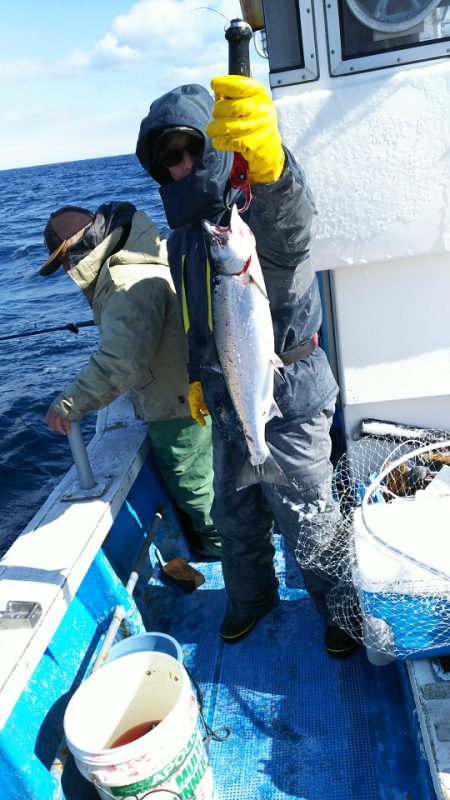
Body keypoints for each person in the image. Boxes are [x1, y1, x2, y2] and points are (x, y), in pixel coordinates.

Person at [135, 77, 358, 657]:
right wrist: (195, 376)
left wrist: (274, 167)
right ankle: (251, 598)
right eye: (168, 159)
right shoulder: (187, 238)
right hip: (228, 395)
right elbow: (197, 319)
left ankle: (339, 610)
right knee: (234, 517)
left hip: (291, 390)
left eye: (189, 148)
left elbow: (294, 227)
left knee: (309, 516)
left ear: (211, 145)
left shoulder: (252, 206)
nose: (182, 165)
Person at [39, 201, 221, 558]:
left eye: (63, 261)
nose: (66, 270)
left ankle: (227, 558)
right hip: (195, 389)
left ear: (76, 249)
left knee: (195, 489)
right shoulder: (139, 252)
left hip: (178, 405)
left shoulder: (123, 280)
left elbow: (122, 362)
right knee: (214, 480)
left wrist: (67, 404)